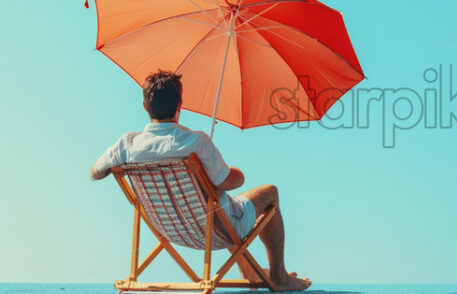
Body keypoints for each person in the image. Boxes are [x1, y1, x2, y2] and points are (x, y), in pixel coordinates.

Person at [90, 70, 311, 292]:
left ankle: (249, 271)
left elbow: (96, 172)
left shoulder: (127, 143)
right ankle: (280, 277)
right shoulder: (195, 141)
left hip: (169, 230)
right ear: (180, 105)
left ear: (145, 106)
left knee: (216, 203)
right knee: (267, 192)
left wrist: (122, 166)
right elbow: (228, 181)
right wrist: (233, 171)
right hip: (213, 229)